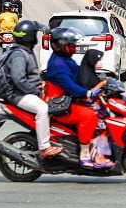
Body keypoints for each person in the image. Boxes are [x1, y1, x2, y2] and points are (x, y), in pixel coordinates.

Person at [44, 27, 106, 168]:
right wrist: (88, 93)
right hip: (58, 105)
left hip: (66, 101)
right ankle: (84, 155)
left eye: (74, 45)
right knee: (89, 116)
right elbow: (71, 86)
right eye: (70, 45)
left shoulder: (65, 60)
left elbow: (79, 73)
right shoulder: (58, 65)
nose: (74, 48)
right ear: (58, 45)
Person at [2, 20, 62, 159]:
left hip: (24, 91)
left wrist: (47, 30)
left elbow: (36, 25)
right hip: (17, 94)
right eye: (34, 34)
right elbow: (19, 79)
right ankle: (45, 147)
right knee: (43, 109)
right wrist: (37, 91)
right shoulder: (19, 55)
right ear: (29, 37)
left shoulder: (24, 50)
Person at [77, 48, 114, 167]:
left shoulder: (91, 73)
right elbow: (88, 93)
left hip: (97, 106)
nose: (100, 63)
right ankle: (99, 157)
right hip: (89, 108)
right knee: (103, 128)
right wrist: (102, 84)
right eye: (98, 61)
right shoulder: (84, 75)